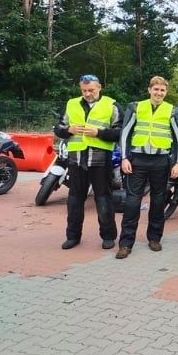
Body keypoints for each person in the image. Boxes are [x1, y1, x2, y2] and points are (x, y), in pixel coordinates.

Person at [115, 76, 178, 259]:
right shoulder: (136, 107)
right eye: (156, 89)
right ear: (149, 90)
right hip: (137, 160)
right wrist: (124, 158)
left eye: (162, 90)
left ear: (166, 92)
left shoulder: (172, 111)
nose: (159, 93)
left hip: (161, 161)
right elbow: (125, 134)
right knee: (132, 202)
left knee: (158, 201)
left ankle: (154, 238)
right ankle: (125, 243)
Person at [55, 74, 123, 250]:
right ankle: (73, 237)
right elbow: (58, 129)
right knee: (75, 200)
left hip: (101, 160)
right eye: (84, 90)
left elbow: (120, 132)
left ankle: (108, 236)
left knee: (103, 199)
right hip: (76, 159)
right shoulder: (71, 104)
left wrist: (99, 133)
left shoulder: (112, 105)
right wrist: (68, 129)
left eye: (91, 90)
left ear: (99, 87)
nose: (87, 93)